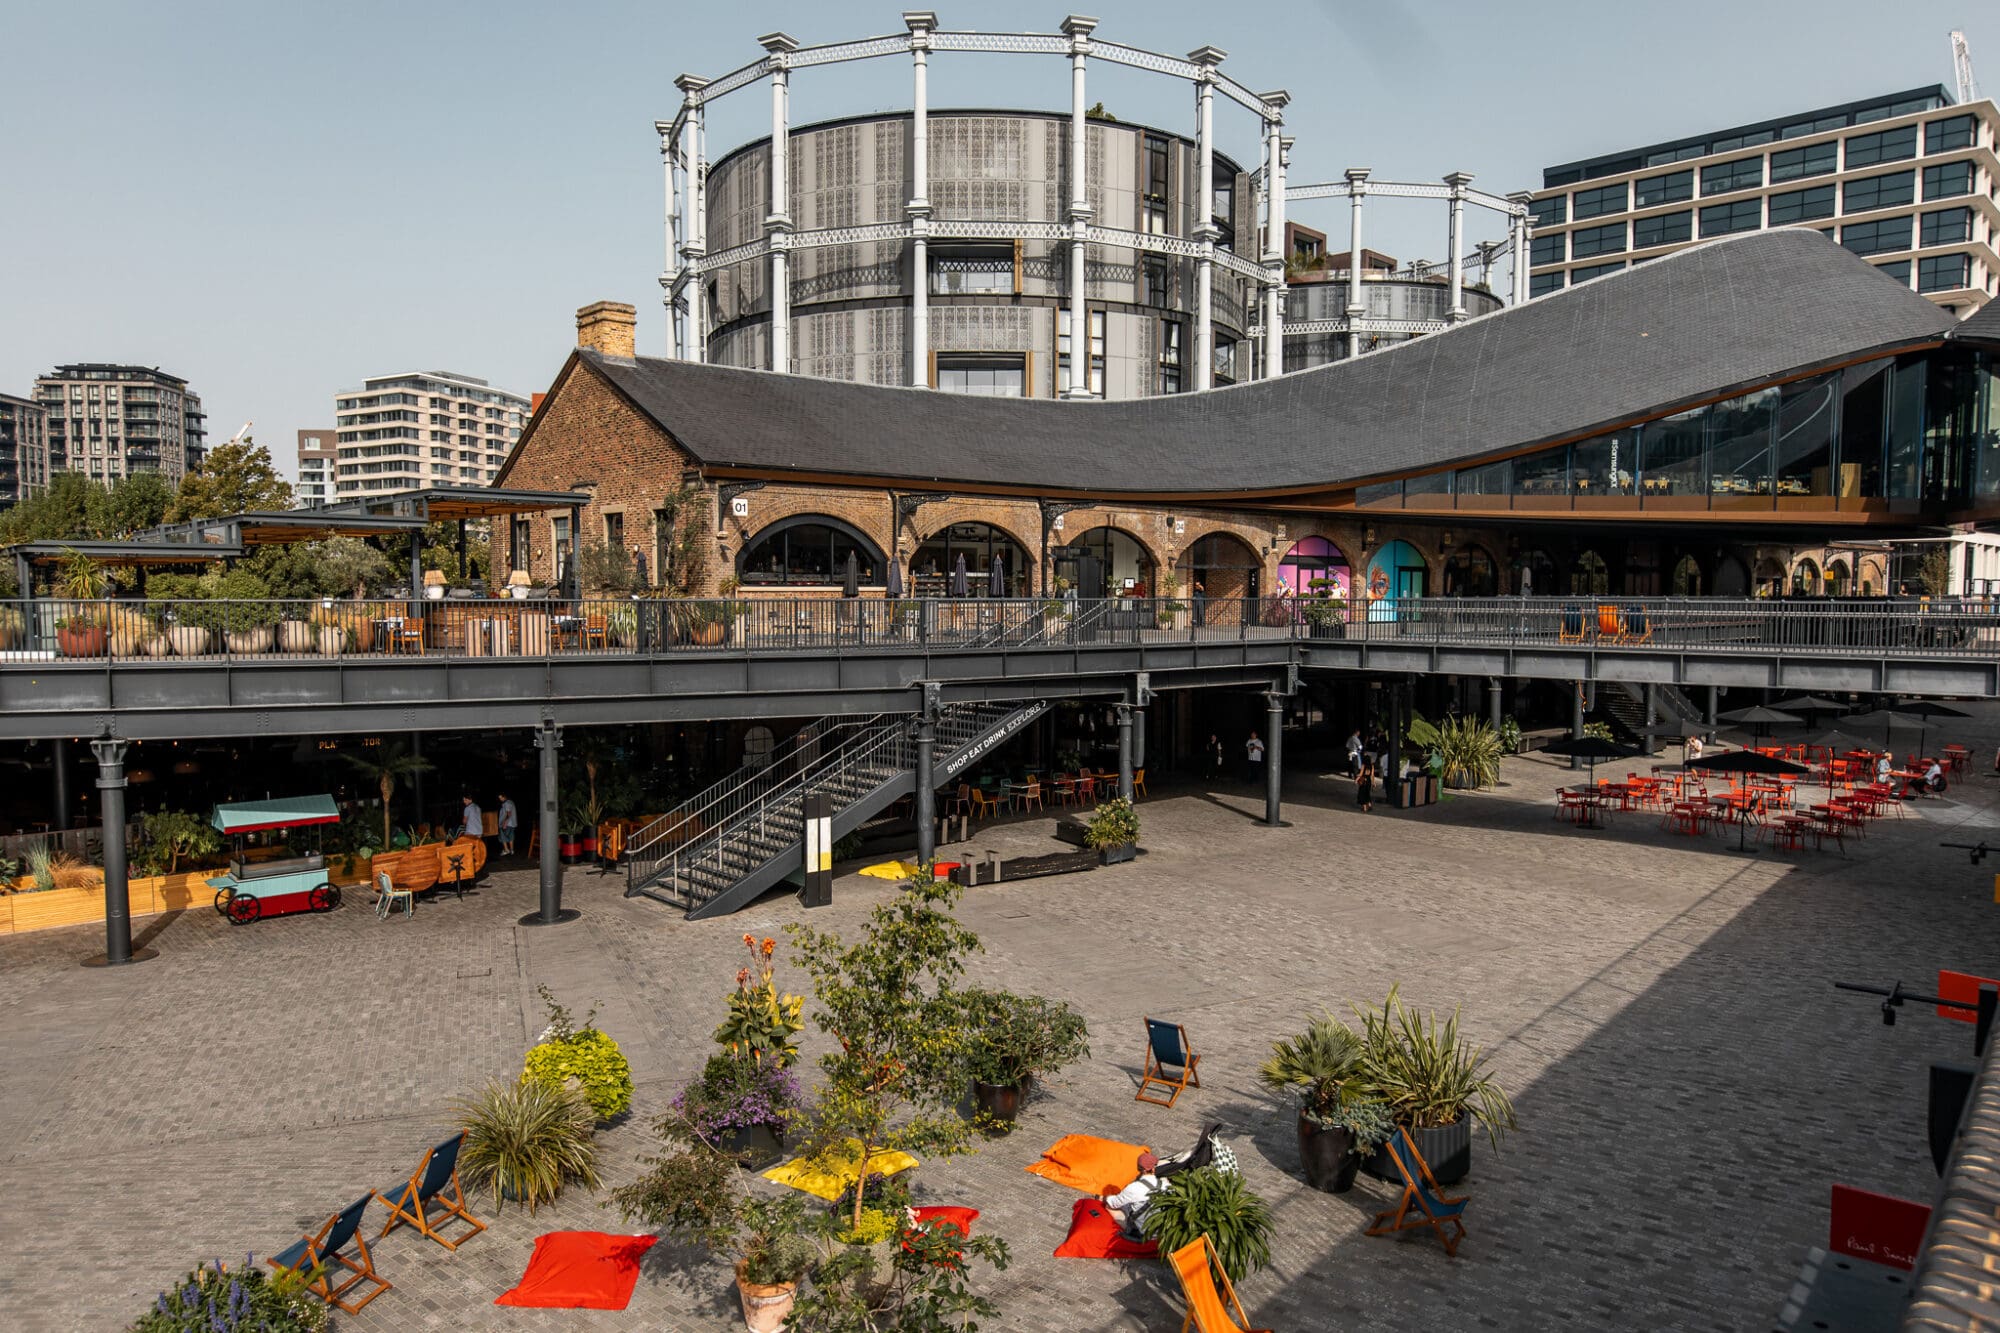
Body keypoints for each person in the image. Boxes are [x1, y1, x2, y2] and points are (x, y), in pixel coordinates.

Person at [1103, 1151, 1162, 1237]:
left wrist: (1105, 1197)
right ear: (1153, 1169)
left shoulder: (1134, 1187)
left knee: (1109, 1207)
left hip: (1141, 1231)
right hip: (1158, 1231)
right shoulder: (1165, 1184)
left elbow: (1113, 1204)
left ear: (1139, 1169)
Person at [497, 791, 518, 856]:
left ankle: (506, 850)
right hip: (512, 823)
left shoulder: (507, 803)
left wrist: (504, 823)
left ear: (505, 796)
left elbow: (508, 814)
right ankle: (512, 850)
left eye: (501, 798)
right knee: (511, 836)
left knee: (503, 837)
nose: (500, 799)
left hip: (507, 824)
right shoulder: (511, 802)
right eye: (499, 798)